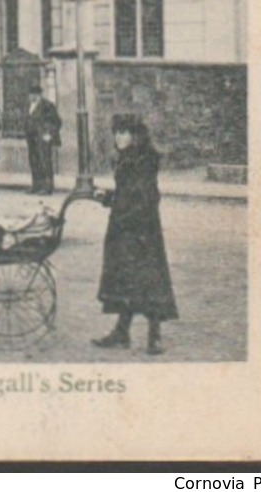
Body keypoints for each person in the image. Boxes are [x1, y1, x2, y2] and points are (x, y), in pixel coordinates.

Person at [93, 115, 178, 355]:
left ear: (135, 135)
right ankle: (122, 332)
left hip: (142, 232)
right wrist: (109, 197)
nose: (118, 137)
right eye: (116, 133)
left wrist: (124, 213)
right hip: (124, 228)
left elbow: (148, 197)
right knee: (124, 280)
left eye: (124, 132)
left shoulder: (144, 161)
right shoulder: (127, 158)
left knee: (148, 282)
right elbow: (126, 193)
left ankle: (154, 336)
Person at [23, 84, 63, 195]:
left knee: (45, 162)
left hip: (43, 140)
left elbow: (57, 122)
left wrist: (49, 135)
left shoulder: (48, 106)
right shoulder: (28, 106)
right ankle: (36, 186)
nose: (32, 97)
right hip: (31, 140)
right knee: (34, 162)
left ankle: (48, 187)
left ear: (39, 95)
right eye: (31, 94)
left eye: (35, 94)